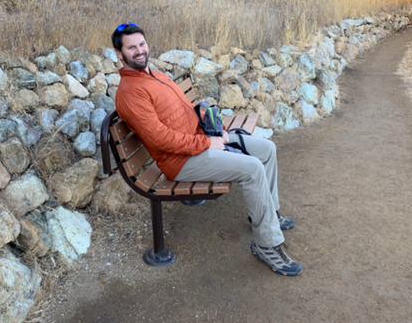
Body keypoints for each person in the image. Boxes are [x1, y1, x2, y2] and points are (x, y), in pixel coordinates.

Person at [111, 22, 302, 276]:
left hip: (201, 141)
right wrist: (207, 143)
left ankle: (270, 217)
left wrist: (212, 125)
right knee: (253, 169)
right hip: (180, 161)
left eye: (142, 44)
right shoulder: (131, 93)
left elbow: (183, 110)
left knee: (266, 149)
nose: (139, 51)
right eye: (131, 47)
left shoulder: (155, 75)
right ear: (119, 54)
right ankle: (267, 244)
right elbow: (159, 140)